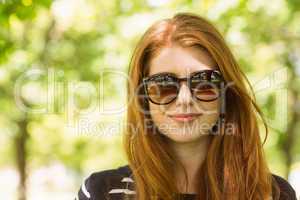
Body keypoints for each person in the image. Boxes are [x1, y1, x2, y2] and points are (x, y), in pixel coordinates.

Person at [77, 12, 297, 200]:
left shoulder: (273, 193)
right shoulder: (101, 192)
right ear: (143, 97)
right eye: (164, 85)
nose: (184, 98)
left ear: (226, 94)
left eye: (204, 82)